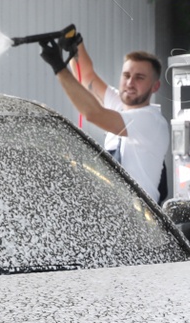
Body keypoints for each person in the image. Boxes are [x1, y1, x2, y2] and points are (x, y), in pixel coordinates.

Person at [40, 37, 169, 202]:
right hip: (114, 209)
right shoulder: (119, 106)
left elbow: (93, 113)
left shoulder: (151, 121)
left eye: (139, 78)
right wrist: (76, 45)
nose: (130, 83)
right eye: (126, 75)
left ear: (155, 87)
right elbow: (86, 76)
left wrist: (59, 67)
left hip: (138, 219)